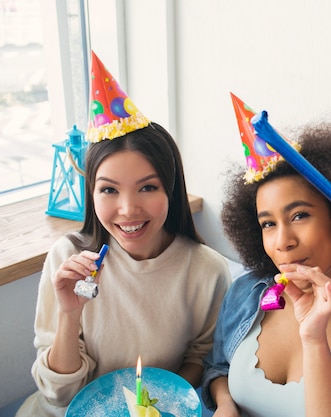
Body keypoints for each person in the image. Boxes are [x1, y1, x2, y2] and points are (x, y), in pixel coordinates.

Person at [16, 52, 231, 417]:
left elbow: (202, 357)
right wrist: (69, 313)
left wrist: (152, 405)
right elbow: (57, 395)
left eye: (147, 188)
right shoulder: (67, 258)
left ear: (171, 189)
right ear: (92, 194)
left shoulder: (206, 270)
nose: (128, 209)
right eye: (109, 190)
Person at [200, 99, 331, 417]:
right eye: (268, 224)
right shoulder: (248, 292)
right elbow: (217, 368)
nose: (283, 242)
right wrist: (225, 404)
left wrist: (313, 339)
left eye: (299, 216)